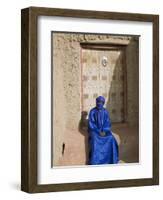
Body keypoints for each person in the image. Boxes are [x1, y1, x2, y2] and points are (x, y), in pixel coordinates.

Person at [88, 96, 119, 165]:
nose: (99, 104)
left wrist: (104, 130)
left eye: (101, 102)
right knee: (95, 140)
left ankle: (111, 160)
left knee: (111, 138)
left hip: (104, 130)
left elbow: (107, 123)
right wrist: (98, 131)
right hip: (95, 131)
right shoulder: (92, 111)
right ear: (96, 102)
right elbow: (91, 124)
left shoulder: (105, 112)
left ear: (103, 103)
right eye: (98, 102)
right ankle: (95, 161)